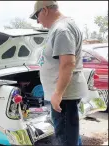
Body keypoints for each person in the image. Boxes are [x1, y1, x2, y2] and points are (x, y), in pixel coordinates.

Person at [30, 1, 88, 146]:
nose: (38, 21)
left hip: (64, 97)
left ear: (45, 10)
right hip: (63, 96)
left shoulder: (62, 29)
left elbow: (68, 63)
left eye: (37, 16)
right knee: (70, 136)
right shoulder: (61, 27)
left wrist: (58, 93)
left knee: (66, 140)